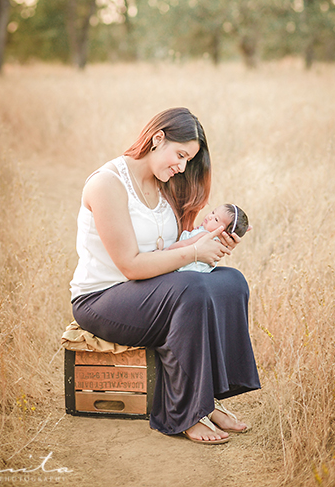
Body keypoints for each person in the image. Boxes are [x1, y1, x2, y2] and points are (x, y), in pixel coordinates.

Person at [69, 107, 261, 444]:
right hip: (103, 299)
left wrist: (206, 246)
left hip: (150, 291)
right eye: (181, 155)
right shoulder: (107, 184)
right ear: (158, 138)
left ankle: (208, 397)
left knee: (231, 282)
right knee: (191, 288)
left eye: (189, 160)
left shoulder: (165, 186)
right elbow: (131, 265)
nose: (183, 167)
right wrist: (193, 254)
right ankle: (184, 413)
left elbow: (171, 253)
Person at [171, 203, 251, 273]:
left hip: (179, 269)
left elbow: (183, 244)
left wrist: (165, 251)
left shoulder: (204, 236)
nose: (210, 216)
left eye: (216, 219)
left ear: (224, 233)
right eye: (213, 212)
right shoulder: (216, 243)